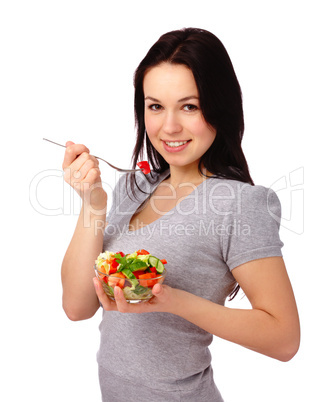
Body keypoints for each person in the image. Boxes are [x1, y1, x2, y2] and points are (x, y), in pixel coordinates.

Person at [61, 28, 300, 401]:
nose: (169, 127)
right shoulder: (133, 188)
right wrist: (93, 204)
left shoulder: (240, 204)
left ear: (219, 107)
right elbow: (77, 307)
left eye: (189, 106)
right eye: (155, 106)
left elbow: (284, 338)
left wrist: (172, 300)